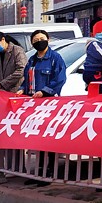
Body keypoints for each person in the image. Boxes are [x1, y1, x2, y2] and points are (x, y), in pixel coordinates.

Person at [18, 29, 67, 186]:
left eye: (42, 39)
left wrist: (45, 91)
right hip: (33, 105)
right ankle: (38, 172)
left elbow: (60, 79)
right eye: (36, 40)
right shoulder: (32, 60)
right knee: (35, 140)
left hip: (48, 105)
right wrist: (22, 89)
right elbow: (26, 79)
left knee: (48, 139)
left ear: (48, 39)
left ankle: (49, 172)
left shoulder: (55, 58)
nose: (39, 42)